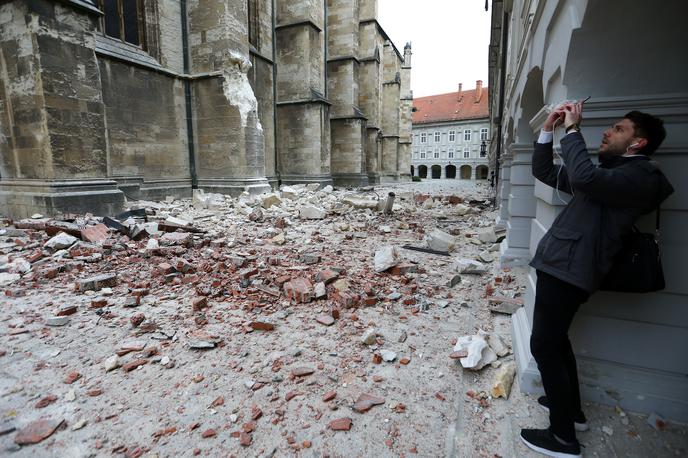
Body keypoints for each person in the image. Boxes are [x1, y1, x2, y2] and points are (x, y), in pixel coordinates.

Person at [519, 101, 674, 458]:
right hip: (563, 263)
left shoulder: (639, 176)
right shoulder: (610, 174)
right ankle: (571, 412)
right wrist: (548, 129)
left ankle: (562, 438)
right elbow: (545, 171)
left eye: (619, 129)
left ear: (638, 143)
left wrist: (574, 130)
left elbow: (584, 177)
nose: (607, 132)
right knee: (556, 342)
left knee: (544, 346)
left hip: (571, 268)